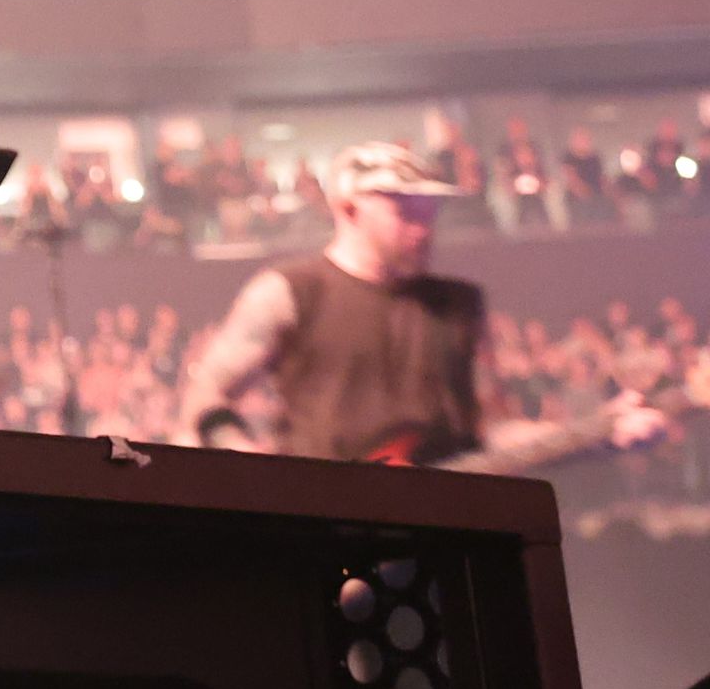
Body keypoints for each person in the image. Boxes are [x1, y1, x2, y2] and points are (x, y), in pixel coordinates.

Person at [180, 141, 675, 470]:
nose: (423, 228)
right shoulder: (291, 290)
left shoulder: (458, 305)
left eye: (429, 212)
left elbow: (493, 430)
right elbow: (207, 393)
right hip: (326, 528)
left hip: (448, 524)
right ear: (348, 208)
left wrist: (598, 431)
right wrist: (248, 462)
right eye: (404, 212)